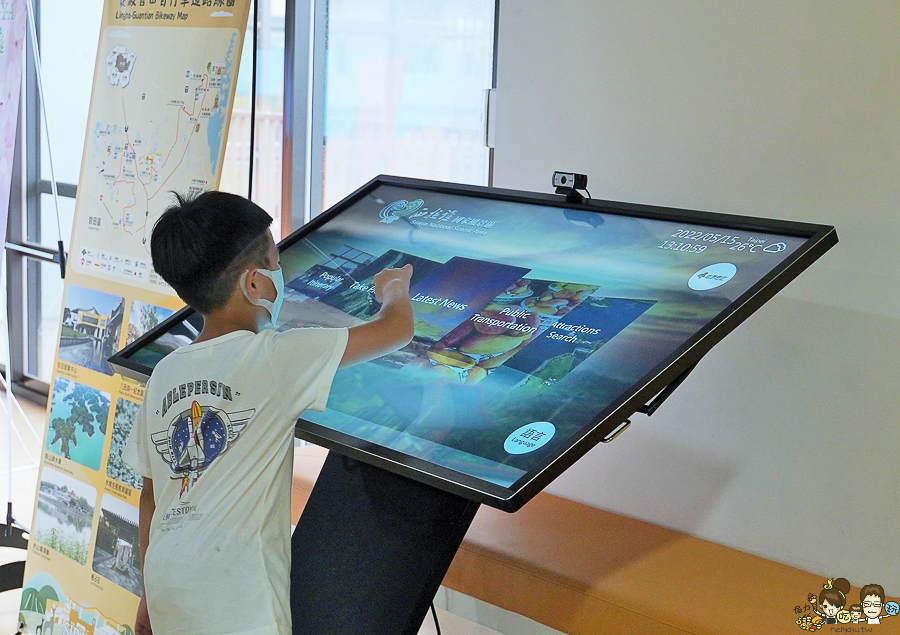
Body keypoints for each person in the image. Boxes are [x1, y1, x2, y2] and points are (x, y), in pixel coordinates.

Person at [123, 191, 414, 635]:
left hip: (167, 581)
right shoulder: (277, 358)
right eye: (276, 263)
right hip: (239, 598)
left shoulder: (165, 371)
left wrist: (148, 595)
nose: (282, 275)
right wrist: (394, 287)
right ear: (254, 284)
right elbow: (396, 330)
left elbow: (151, 493)